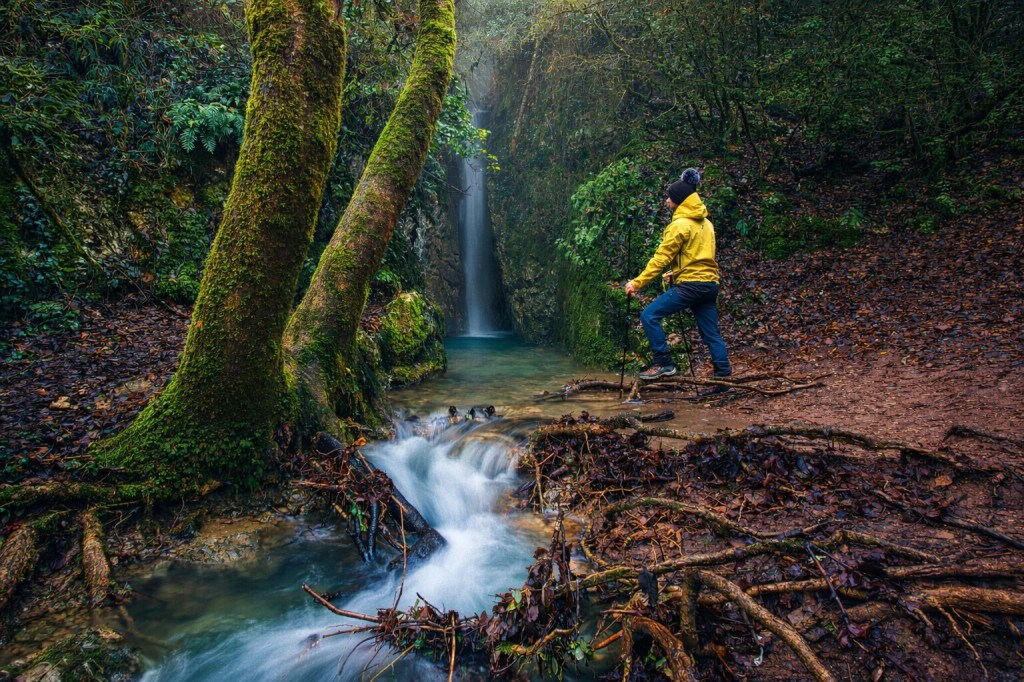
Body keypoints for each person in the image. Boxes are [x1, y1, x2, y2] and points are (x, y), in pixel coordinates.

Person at [624, 168, 732, 387]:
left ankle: (664, 363)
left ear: (679, 201)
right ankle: (724, 377)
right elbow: (700, 256)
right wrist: (678, 272)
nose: (666, 201)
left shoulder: (679, 225)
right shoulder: (707, 224)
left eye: (670, 197)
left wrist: (637, 282)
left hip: (691, 286)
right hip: (710, 284)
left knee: (649, 315)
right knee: (711, 333)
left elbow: (660, 259)